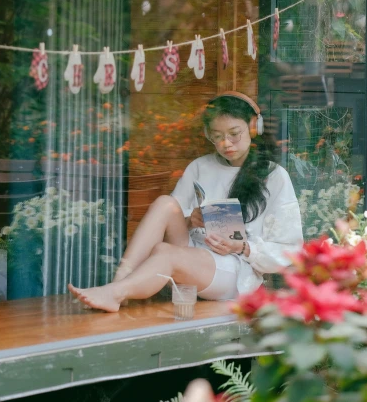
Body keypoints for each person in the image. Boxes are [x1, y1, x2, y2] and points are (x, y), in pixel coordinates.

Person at [68, 92, 303, 312]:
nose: (226, 144)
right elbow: (176, 219)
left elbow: (290, 250)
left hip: (235, 268)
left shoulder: (274, 176)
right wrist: (191, 220)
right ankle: (119, 284)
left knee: (165, 253)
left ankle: (116, 294)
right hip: (194, 253)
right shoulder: (200, 166)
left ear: (254, 128)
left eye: (234, 133)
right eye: (217, 136)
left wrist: (243, 247)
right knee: (165, 204)